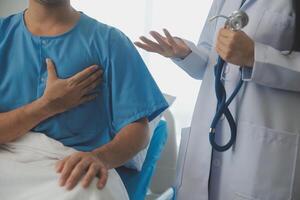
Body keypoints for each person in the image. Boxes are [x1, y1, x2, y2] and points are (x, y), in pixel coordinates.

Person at [0, 0, 168, 199]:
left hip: (72, 169)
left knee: (88, 190)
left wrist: (100, 158)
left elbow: (137, 130)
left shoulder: (110, 42)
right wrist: (46, 106)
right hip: (7, 162)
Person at [135, 0, 300, 199]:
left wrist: (255, 56)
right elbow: (212, 62)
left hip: (263, 154)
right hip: (208, 145)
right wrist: (184, 53)